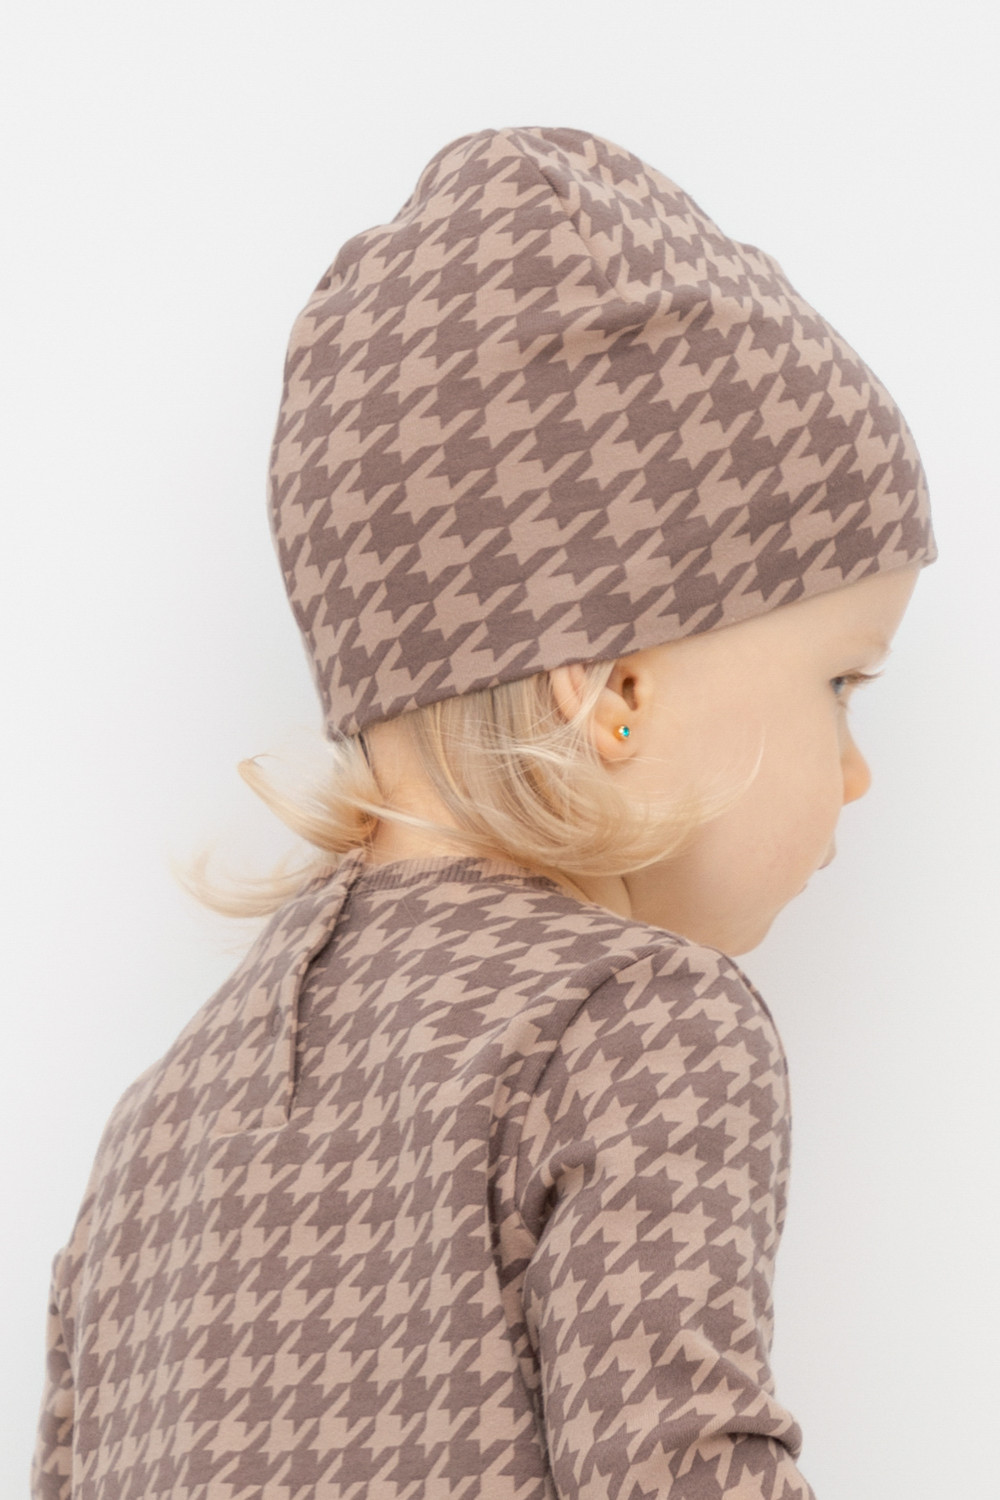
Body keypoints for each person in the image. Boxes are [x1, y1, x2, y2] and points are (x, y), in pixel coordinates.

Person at [31, 126, 937, 1499]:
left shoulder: (158, 1133)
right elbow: (680, 1472)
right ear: (616, 689)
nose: (856, 771)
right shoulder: (633, 1023)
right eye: (839, 684)